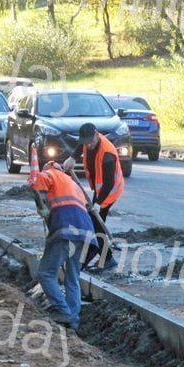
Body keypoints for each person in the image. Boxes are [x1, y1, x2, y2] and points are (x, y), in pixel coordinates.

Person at [29, 156, 96, 329]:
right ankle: (73, 319)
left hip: (65, 229)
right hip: (85, 233)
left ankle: (63, 310)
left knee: (45, 273)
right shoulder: (71, 182)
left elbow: (39, 183)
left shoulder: (48, 174)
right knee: (72, 277)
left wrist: (35, 187)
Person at [73, 122, 123, 270]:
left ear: (97, 135)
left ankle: (106, 258)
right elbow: (80, 146)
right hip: (99, 188)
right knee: (94, 222)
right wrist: (72, 158)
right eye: (85, 143)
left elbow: (108, 184)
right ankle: (100, 255)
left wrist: (98, 203)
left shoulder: (107, 153)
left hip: (110, 190)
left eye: (90, 142)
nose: (88, 146)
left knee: (96, 222)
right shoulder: (88, 140)